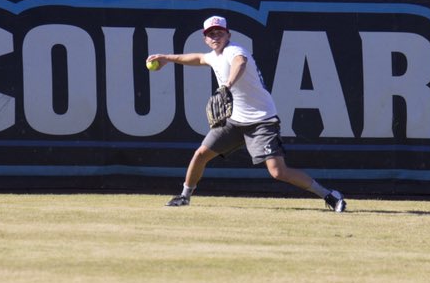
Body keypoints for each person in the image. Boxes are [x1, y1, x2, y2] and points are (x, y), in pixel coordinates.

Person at [146, 15, 347, 212]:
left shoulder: (235, 51)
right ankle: (184, 196)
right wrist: (166, 58)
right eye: (211, 34)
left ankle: (330, 195)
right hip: (234, 121)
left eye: (219, 32)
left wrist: (227, 85)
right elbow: (197, 58)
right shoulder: (213, 56)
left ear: (228, 34)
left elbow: (239, 63)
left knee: (278, 172)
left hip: (262, 121)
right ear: (205, 38)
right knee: (200, 154)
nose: (215, 37)